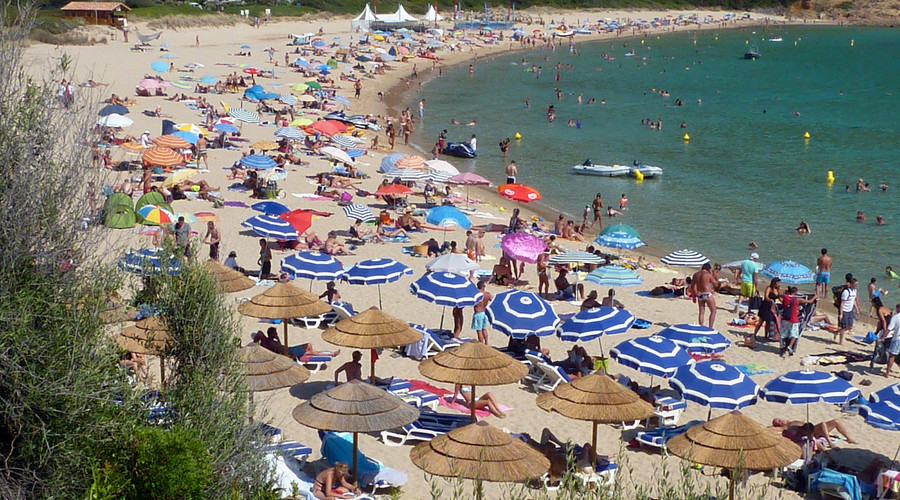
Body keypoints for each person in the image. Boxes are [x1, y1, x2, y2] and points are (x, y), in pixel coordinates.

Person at [780, 287, 817, 356]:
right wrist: (815, 297)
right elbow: (810, 301)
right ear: (795, 292)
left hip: (785, 318)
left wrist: (785, 289)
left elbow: (779, 293)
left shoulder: (785, 297)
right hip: (793, 319)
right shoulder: (797, 300)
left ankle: (783, 347)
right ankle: (790, 346)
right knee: (794, 334)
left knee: (784, 334)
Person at [771, 418, 856, 448]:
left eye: (779, 418)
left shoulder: (791, 421)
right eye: (778, 421)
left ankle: (848, 438)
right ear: (777, 424)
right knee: (823, 424)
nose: (780, 419)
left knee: (836, 421)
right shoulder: (785, 427)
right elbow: (773, 430)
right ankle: (830, 442)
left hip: (812, 427)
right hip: (809, 432)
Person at [751, 277, 782, 345]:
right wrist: (770, 300)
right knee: (761, 321)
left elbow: (780, 298)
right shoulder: (769, 288)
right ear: (774, 283)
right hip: (765, 306)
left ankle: (766, 336)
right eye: (778, 283)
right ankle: (754, 334)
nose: (779, 284)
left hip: (772, 307)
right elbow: (766, 297)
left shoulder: (778, 290)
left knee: (768, 322)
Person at [690, 263, 717, 328]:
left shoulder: (696, 275)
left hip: (700, 294)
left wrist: (694, 297)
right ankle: (710, 327)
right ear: (708, 269)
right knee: (713, 310)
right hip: (707, 293)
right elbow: (716, 284)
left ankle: (701, 327)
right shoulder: (708, 275)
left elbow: (692, 287)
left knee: (701, 312)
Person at [837, 278, 860, 345]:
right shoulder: (846, 292)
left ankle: (836, 332)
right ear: (851, 284)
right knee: (843, 327)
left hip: (850, 310)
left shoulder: (855, 291)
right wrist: (841, 314)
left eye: (857, 285)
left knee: (849, 326)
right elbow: (842, 303)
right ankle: (840, 342)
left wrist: (857, 309)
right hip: (844, 310)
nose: (856, 286)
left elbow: (854, 301)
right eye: (855, 284)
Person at [883, 303, 900, 377]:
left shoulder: (896, 317)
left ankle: (887, 373)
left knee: (892, 356)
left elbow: (888, 329)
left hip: (897, 339)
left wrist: (882, 338)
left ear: (897, 309)